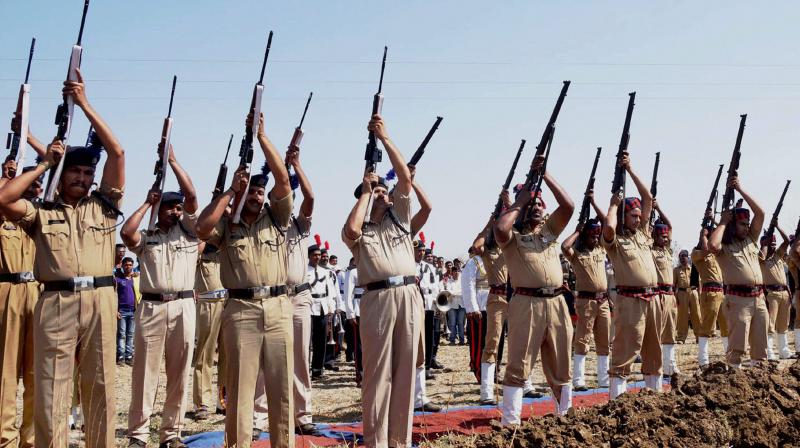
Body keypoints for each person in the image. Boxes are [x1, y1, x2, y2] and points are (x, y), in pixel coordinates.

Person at [0, 67, 125, 447]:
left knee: (100, 385)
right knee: (51, 386)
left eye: (89, 173)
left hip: (101, 299)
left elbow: (117, 151)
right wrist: (43, 164)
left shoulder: (104, 205)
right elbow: (4, 199)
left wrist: (84, 103)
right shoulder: (43, 211)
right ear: (62, 174)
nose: (84, 179)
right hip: (55, 299)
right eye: (76, 172)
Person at [196, 112, 295, 447]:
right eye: (250, 192)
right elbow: (201, 228)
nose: (256, 196)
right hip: (240, 310)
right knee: (239, 392)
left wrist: (263, 137)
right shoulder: (228, 224)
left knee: (281, 391)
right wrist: (228, 193)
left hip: (279, 307)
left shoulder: (276, 216)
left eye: (259, 192)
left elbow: (283, 180)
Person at [341, 114, 421, 447]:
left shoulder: (399, 221)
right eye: (377, 194)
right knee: (378, 376)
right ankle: (376, 442)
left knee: (405, 375)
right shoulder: (363, 232)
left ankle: (399, 442)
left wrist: (386, 139)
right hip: (378, 300)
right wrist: (366, 192)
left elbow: (404, 179)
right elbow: (350, 231)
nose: (382, 196)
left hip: (409, 294)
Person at [121, 142, 199, 448]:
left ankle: (171, 434)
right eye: (169, 207)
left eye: (177, 208)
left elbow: (191, 196)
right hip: (152, 307)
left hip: (183, 305)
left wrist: (174, 161)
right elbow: (127, 233)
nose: (175, 211)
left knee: (180, 375)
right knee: (144, 374)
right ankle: (138, 435)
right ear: (159, 208)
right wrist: (145, 204)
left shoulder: (190, 232)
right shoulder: (148, 235)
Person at [494, 154, 575, 423]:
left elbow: (568, 206)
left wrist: (546, 173)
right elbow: (501, 227)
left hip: (557, 303)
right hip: (526, 304)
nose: (539, 207)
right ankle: (511, 421)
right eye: (534, 203)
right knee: (518, 366)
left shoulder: (548, 231)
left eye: (541, 203)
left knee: (562, 366)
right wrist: (519, 201)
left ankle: (564, 416)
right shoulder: (513, 238)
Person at [0, 123, 47, 448]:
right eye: (27, 184)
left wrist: (27, 134)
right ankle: (4, 437)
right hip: (6, 291)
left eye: (37, 185)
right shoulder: (4, 210)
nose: (34, 189)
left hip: (40, 292)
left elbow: (56, 163)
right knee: (4, 373)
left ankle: (29, 439)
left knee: (35, 373)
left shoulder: (42, 214)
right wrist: (8, 174)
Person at [602, 153, 663, 398]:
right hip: (630, 301)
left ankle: (654, 396)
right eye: (633, 216)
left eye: (639, 216)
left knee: (653, 350)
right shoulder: (615, 241)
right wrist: (614, 205)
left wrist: (630, 169)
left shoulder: (643, 235)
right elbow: (608, 228)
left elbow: (648, 198)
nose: (638, 220)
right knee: (625, 351)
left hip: (653, 299)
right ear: (624, 217)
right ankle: (617, 401)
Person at [707, 176, 767, 369]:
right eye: (742, 224)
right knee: (737, 350)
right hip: (737, 300)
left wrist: (740, 189)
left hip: (758, 299)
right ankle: (733, 388)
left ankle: (759, 385)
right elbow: (712, 244)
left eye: (747, 223)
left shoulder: (750, 239)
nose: (747, 226)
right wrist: (723, 222)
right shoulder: (725, 245)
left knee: (761, 349)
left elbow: (761, 213)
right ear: (734, 225)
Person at [561, 191, 610, 392]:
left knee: (604, 340)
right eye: (591, 234)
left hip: (603, 301)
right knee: (582, 340)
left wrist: (594, 202)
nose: (595, 236)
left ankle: (603, 378)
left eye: (596, 234)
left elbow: (607, 224)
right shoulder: (577, 254)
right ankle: (578, 379)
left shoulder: (601, 249)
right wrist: (578, 231)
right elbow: (565, 246)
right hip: (586, 301)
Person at [191, 239, 227, 421]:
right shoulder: (201, 253)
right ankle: (202, 402)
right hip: (208, 302)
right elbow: (196, 248)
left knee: (228, 356)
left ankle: (223, 401)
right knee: (205, 355)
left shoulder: (224, 250)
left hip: (228, 302)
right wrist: (206, 237)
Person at [693, 215, 729, 365]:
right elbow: (707, 249)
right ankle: (703, 360)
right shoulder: (696, 254)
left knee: (726, 326)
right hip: (710, 292)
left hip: (721, 291)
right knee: (706, 327)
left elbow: (721, 239)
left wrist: (715, 222)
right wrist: (703, 235)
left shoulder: (715, 254)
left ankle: (730, 355)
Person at [649, 205, 678, 377]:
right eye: (662, 236)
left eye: (666, 236)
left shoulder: (667, 250)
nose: (666, 239)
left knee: (670, 332)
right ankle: (657, 364)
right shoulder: (650, 251)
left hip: (670, 294)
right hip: (658, 294)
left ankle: (670, 365)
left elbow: (670, 225)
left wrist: (659, 208)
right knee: (657, 333)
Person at [413, 240, 442, 413]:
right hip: (414, 305)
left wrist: (438, 304)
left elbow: (436, 286)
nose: (421, 253)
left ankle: (428, 366)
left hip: (429, 305)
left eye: (423, 251)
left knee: (429, 339)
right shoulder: (408, 265)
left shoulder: (430, 268)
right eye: (419, 250)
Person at [759, 225, 792, 359]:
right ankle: (770, 352)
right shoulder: (762, 257)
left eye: (774, 243)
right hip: (771, 294)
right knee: (770, 324)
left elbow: (787, 241)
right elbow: (762, 256)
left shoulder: (778, 254)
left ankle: (784, 351)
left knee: (783, 324)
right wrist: (765, 244)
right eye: (770, 243)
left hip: (784, 292)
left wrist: (777, 226)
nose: (773, 245)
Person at [308, 244, 337, 379]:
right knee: (307, 341)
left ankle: (317, 370)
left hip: (323, 308)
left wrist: (330, 307)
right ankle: (305, 368)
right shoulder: (304, 271)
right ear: (309, 256)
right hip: (309, 308)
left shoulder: (325, 272)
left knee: (321, 340)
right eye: (315, 255)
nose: (317, 257)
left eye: (319, 255)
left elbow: (329, 291)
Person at [343, 258, 364, 386]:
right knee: (359, 345)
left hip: (373, 310)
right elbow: (348, 294)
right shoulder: (352, 272)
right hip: (358, 310)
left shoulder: (372, 269)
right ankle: (360, 374)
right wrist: (350, 314)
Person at [674, 249, 702, 346]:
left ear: (687, 257)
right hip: (682, 293)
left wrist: (700, 295)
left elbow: (699, 283)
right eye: (680, 257)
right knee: (682, 316)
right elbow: (674, 285)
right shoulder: (676, 270)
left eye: (684, 256)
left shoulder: (694, 268)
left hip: (693, 292)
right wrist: (675, 297)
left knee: (697, 315)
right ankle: (681, 337)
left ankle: (699, 337)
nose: (682, 258)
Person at [115, 257, 137, 366]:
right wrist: (116, 310)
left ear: (133, 266)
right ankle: (120, 357)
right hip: (122, 311)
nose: (128, 267)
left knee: (131, 334)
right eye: (126, 265)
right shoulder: (118, 280)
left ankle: (129, 356)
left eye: (130, 265)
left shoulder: (135, 279)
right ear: (123, 266)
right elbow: (114, 296)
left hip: (133, 311)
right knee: (122, 334)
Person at [444, 266, 465, 344]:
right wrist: (457, 293)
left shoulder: (462, 281)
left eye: (458, 271)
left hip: (462, 305)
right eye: (455, 271)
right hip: (452, 305)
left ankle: (462, 340)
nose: (456, 273)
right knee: (452, 323)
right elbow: (449, 292)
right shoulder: (449, 282)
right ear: (452, 273)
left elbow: (463, 292)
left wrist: (454, 293)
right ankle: (452, 340)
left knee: (460, 322)